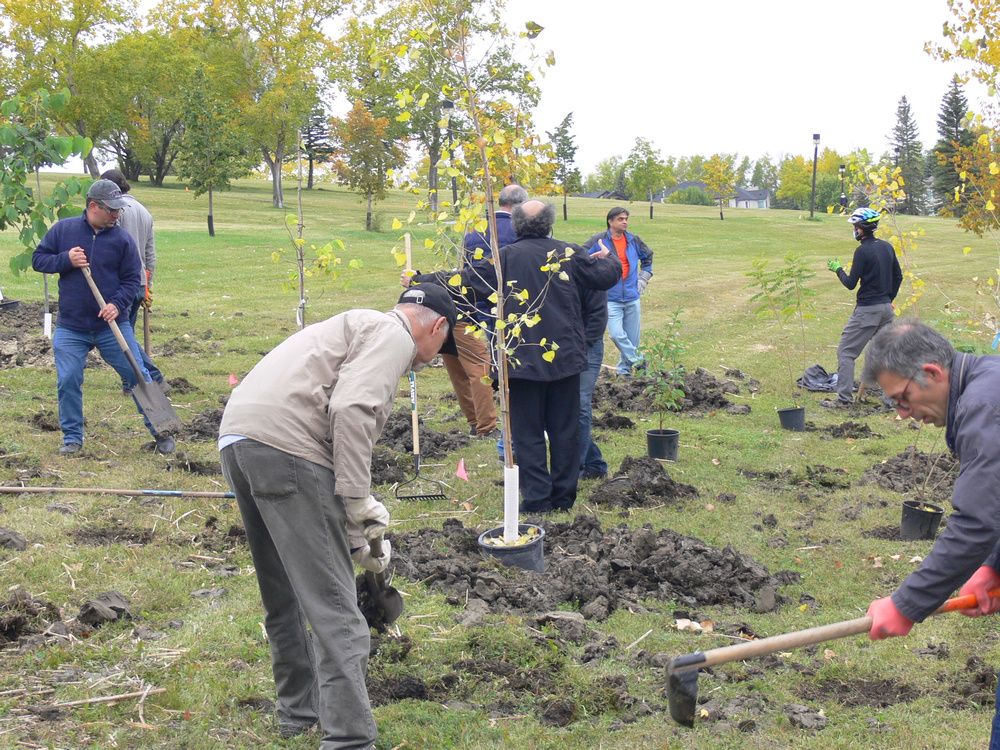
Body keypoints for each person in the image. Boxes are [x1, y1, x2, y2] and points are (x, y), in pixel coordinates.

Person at [217, 285, 457, 747]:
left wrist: (354, 536)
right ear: (437, 326)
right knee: (336, 610)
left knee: (282, 593)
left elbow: (328, 422)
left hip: (240, 440)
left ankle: (297, 713)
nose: (429, 363)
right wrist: (359, 500)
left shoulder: (353, 324)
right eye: (439, 351)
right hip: (289, 449)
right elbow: (350, 409)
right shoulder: (395, 334)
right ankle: (349, 739)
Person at [411, 201, 620, 512]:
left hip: (520, 359)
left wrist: (419, 280)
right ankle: (562, 497)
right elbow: (605, 276)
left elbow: (462, 282)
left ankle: (538, 498)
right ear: (550, 224)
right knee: (565, 430)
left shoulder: (504, 259)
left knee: (527, 432)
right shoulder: (567, 253)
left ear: (517, 225)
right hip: (563, 357)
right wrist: (609, 258)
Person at [864, 319, 1000, 747]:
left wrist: (905, 605)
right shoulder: (986, 385)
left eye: (902, 399)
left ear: (932, 373)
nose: (903, 414)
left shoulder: (984, 407)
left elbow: (977, 521)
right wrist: (993, 567)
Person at [31, 179, 174, 456]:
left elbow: (132, 280)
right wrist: (66, 259)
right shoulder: (64, 230)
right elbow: (39, 260)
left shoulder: (123, 239)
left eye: (119, 209)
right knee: (68, 379)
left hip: (111, 326)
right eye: (112, 209)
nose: (117, 214)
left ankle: (163, 432)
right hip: (72, 326)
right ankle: (73, 439)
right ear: (93, 206)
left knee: (138, 374)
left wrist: (116, 305)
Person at [443, 184, 527, 438]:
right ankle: (496, 419)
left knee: (477, 365)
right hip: (510, 306)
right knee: (495, 364)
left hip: (475, 307)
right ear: (520, 205)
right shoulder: (520, 230)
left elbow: (466, 273)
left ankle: (477, 419)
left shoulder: (474, 232)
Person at [823, 207, 902, 408]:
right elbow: (898, 276)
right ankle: (891, 398)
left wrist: (837, 269)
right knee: (883, 353)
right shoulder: (887, 247)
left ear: (861, 228)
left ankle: (843, 400)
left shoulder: (862, 251)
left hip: (867, 310)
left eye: (855, 226)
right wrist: (888, 299)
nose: (854, 230)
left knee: (846, 352)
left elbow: (851, 283)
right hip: (886, 310)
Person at [100, 168, 165, 387]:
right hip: (139, 282)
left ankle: (148, 379)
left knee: (121, 338)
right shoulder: (144, 211)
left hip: (121, 284)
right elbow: (150, 254)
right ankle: (140, 379)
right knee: (125, 334)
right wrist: (148, 286)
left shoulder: (116, 211)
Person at [583, 207, 653, 376]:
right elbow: (581, 258)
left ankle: (624, 372)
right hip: (610, 297)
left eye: (626, 219)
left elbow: (648, 258)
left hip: (632, 296)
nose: (625, 222)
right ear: (610, 221)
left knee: (632, 340)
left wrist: (644, 278)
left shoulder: (633, 240)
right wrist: (595, 265)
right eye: (620, 219)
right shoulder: (599, 240)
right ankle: (639, 361)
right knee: (616, 334)